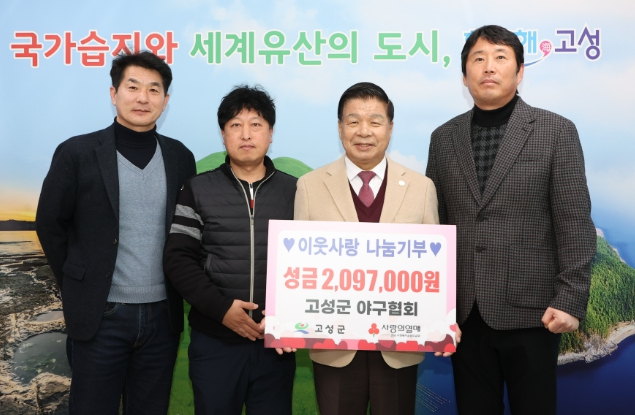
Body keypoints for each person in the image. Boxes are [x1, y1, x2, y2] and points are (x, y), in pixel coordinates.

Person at [426, 25, 596, 415]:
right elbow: (436, 225)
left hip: (535, 313)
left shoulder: (556, 131)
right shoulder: (443, 138)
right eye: (478, 59)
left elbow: (574, 222)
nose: (489, 67)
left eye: (500, 57)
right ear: (464, 75)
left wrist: (570, 298)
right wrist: (435, 305)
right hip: (464, 316)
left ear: (520, 72)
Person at [35, 51, 196, 414]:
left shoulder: (180, 157)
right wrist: (78, 280)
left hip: (162, 317)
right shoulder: (77, 152)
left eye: (154, 90)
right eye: (133, 87)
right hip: (101, 316)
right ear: (114, 93)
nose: (143, 98)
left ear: (165, 100)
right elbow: (49, 223)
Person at [294, 82, 439, 415]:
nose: (364, 131)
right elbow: (298, 270)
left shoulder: (421, 188)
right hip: (333, 348)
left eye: (375, 121)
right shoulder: (310, 186)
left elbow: (433, 271)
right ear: (340, 127)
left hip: (399, 347)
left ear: (390, 128)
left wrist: (441, 319)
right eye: (353, 121)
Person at [163, 85, 297, 415]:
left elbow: (313, 264)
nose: (246, 134)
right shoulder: (197, 189)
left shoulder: (296, 191)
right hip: (215, 341)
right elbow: (178, 258)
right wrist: (222, 309)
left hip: (275, 343)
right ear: (223, 135)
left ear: (271, 134)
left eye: (256, 124)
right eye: (236, 125)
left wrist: (289, 317)